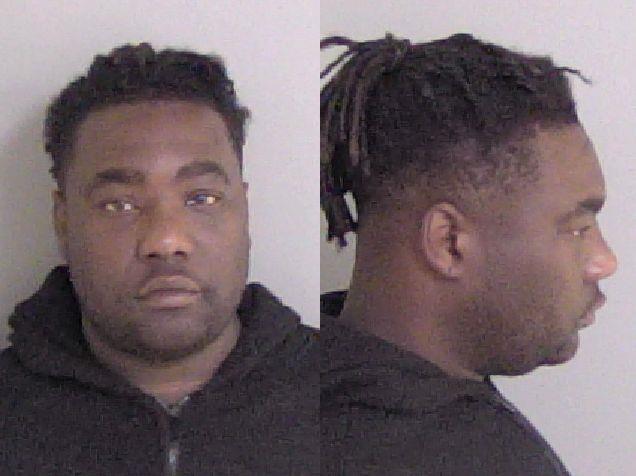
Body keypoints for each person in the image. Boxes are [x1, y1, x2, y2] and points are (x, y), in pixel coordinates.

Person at [0, 43, 318, 475]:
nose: (166, 241)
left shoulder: (348, 406)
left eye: (201, 198)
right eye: (119, 204)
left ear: (244, 209)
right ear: (63, 221)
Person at [320, 33, 617, 475]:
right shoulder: (487, 461)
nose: (605, 261)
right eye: (576, 228)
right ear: (449, 243)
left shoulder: (282, 394)